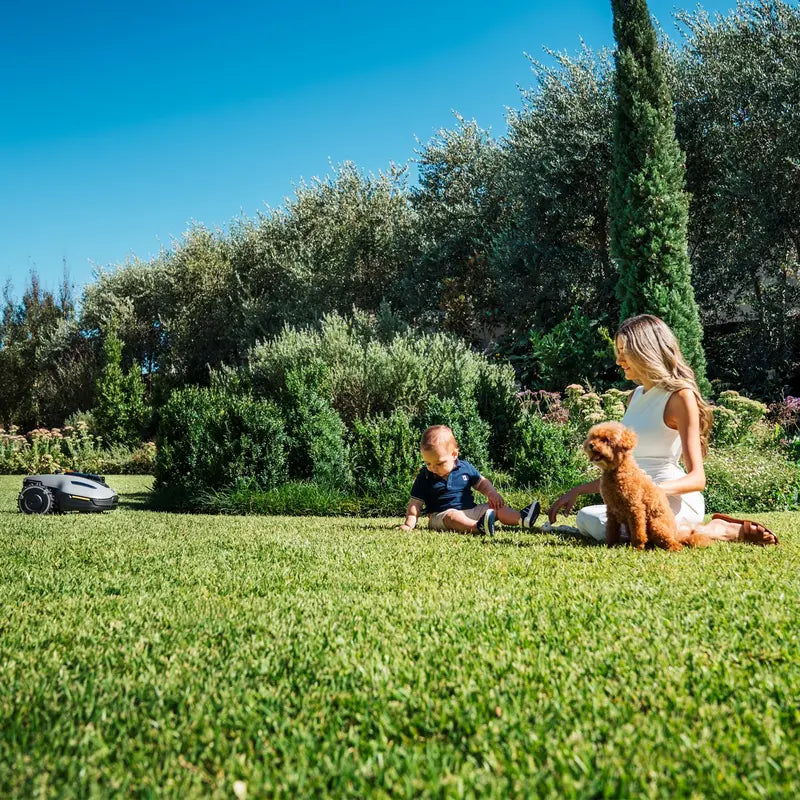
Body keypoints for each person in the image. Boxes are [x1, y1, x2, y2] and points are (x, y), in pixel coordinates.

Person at [548, 314, 778, 546]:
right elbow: (625, 472)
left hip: (671, 498)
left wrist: (651, 491)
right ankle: (684, 531)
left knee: (622, 527)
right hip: (635, 494)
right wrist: (578, 490)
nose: (618, 361)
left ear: (646, 350)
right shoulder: (634, 397)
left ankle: (719, 529)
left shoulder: (680, 396)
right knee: (588, 517)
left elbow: (697, 478)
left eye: (624, 352)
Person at [400, 424, 540, 535]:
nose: (433, 468)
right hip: (441, 516)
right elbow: (415, 504)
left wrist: (492, 493)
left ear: (454, 454)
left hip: (471, 510)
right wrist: (409, 523)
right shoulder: (425, 476)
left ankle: (522, 519)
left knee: (495, 508)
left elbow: (481, 483)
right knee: (452, 516)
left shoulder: (465, 468)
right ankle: (477, 528)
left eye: (439, 463)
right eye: (428, 463)